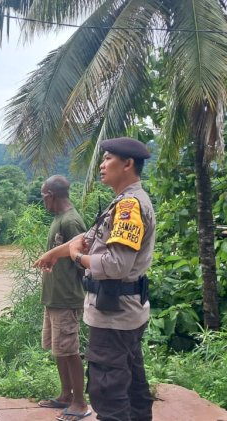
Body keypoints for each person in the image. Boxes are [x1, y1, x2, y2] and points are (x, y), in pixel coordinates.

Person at [35, 137, 155, 421]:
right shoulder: (121, 203)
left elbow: (115, 265)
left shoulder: (129, 207)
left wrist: (76, 258)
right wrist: (57, 252)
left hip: (114, 315)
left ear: (127, 164)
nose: (101, 165)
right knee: (132, 383)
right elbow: (85, 239)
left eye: (108, 159)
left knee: (108, 391)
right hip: (122, 312)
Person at [36, 175, 89, 421]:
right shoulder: (59, 219)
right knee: (59, 350)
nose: (43, 201)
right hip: (54, 298)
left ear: (50, 194)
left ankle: (80, 402)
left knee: (70, 351)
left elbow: (83, 260)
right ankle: (65, 395)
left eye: (43, 196)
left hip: (66, 298)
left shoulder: (71, 221)